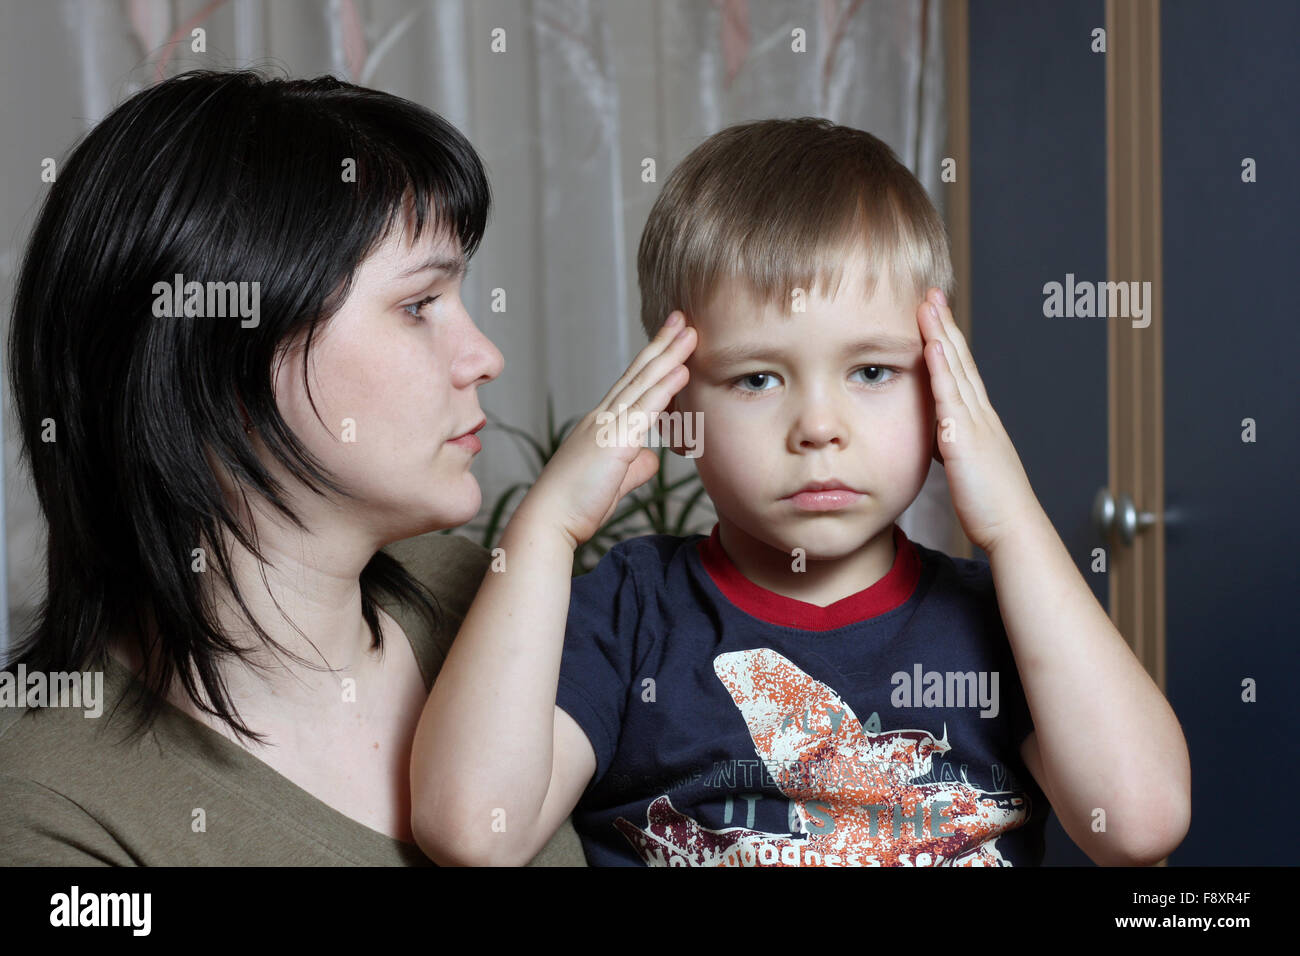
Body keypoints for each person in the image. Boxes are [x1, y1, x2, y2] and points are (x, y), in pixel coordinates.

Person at [410, 118, 1192, 867]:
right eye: (757, 378)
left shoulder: (1007, 620)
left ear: (943, 388)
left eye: (873, 371)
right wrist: (545, 528)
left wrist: (1016, 522)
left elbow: (1140, 823)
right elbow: (475, 832)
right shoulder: (626, 617)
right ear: (674, 408)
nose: (819, 426)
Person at [0, 69, 584, 866]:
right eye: (420, 306)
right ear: (215, 361)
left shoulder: (486, 600)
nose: (483, 356)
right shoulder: (48, 808)